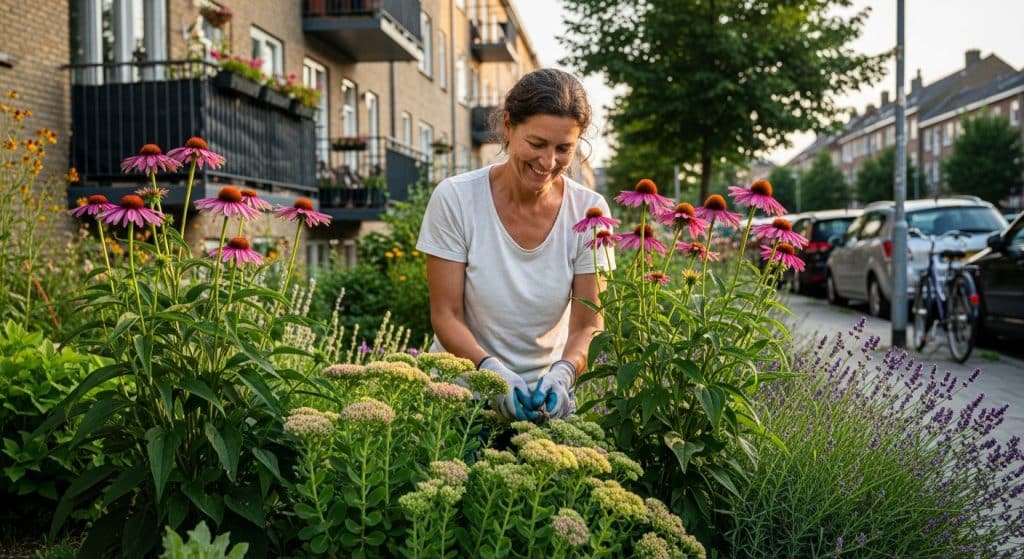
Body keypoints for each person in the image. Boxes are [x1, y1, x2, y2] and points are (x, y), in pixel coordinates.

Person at [416, 68, 615, 422]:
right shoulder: (457, 199)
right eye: (536, 144)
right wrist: (490, 372)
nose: (548, 163)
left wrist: (565, 373)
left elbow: (588, 324)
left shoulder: (589, 211)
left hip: (544, 404)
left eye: (564, 149)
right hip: (462, 400)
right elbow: (446, 315)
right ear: (508, 126)